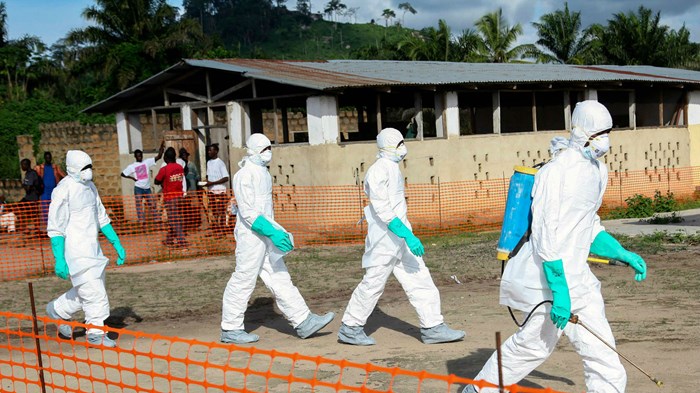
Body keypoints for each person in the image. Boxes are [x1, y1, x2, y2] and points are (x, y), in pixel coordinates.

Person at [462, 101, 647, 393]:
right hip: (547, 280)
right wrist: (560, 292)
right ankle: (479, 390)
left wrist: (620, 252)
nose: (605, 139)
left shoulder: (599, 170)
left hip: (580, 281)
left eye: (608, 132)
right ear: (583, 131)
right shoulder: (555, 172)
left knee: (604, 356)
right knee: (533, 347)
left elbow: (588, 225)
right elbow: (546, 237)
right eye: (600, 132)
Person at [338, 128, 465, 346]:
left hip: (402, 238)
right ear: (388, 145)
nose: (402, 148)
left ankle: (433, 327)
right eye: (399, 143)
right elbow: (383, 210)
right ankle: (350, 328)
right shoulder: (378, 171)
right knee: (373, 283)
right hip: (384, 240)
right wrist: (407, 234)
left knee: (421, 279)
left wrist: (407, 235)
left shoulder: (392, 168)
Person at [220, 133, 334, 344]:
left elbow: (265, 210)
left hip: (265, 233)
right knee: (244, 278)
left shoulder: (262, 172)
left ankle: (303, 321)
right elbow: (248, 212)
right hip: (251, 236)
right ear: (252, 151)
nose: (268, 153)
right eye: (263, 149)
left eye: (269, 148)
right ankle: (230, 327)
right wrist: (272, 231)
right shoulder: (244, 175)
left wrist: (275, 231)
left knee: (279, 275)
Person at [45, 150, 126, 348]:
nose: (88, 171)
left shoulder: (91, 187)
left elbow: (101, 216)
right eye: (84, 168)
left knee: (87, 291)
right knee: (95, 294)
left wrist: (116, 243)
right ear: (72, 169)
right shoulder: (64, 190)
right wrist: (59, 258)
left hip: (93, 251)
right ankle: (96, 334)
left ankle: (58, 310)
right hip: (76, 253)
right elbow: (55, 226)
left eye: (90, 167)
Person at [121, 142, 164, 227]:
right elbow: (123, 174)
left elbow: (158, 157)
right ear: (135, 157)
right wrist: (132, 178)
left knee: (152, 203)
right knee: (139, 205)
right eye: (138, 156)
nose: (140, 157)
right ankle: (141, 220)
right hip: (138, 188)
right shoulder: (132, 166)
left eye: (141, 155)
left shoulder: (147, 162)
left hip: (147, 188)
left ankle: (156, 219)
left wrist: (161, 147)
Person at [154, 147, 187, 248]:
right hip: (179, 196)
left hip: (170, 197)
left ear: (165, 158)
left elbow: (156, 181)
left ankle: (182, 241)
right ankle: (169, 239)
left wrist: (164, 181)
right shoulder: (180, 167)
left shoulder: (164, 169)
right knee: (175, 218)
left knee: (173, 220)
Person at [204, 144, 230, 237]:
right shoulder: (208, 162)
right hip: (211, 191)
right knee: (213, 211)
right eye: (208, 150)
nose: (209, 152)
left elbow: (226, 178)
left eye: (211, 150)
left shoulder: (220, 163)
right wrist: (206, 182)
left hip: (220, 191)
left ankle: (222, 230)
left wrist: (213, 183)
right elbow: (208, 175)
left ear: (216, 151)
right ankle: (216, 229)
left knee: (221, 211)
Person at [35, 152, 66, 223]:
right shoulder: (41, 168)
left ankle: (55, 222)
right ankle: (46, 223)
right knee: (45, 209)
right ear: (45, 158)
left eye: (49, 157)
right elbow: (35, 176)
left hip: (54, 190)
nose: (48, 159)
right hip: (44, 191)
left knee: (54, 207)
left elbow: (62, 175)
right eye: (47, 157)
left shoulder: (55, 167)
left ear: (51, 158)